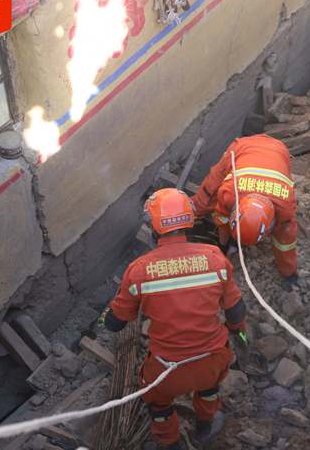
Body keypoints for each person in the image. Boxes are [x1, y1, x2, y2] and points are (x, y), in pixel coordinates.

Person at [101, 188, 247, 450]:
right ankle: (205, 426)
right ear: (189, 221)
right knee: (209, 388)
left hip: (166, 370)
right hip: (212, 360)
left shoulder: (139, 271)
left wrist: (107, 314)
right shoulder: (215, 258)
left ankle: (170, 443)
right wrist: (238, 333)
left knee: (157, 404)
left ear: (153, 226)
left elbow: (115, 323)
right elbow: (236, 311)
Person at [192, 134, 298, 288]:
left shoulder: (286, 207)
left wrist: (288, 272)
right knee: (211, 188)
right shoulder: (230, 191)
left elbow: (285, 244)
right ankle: (194, 210)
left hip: (279, 151)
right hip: (242, 148)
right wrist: (223, 243)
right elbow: (221, 215)